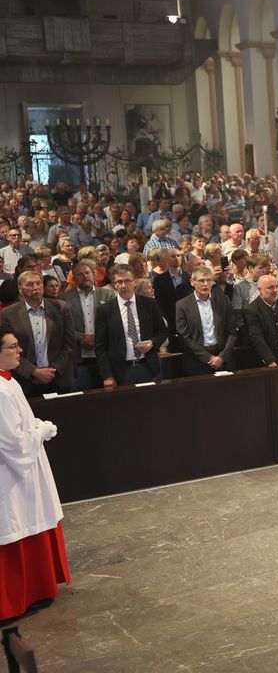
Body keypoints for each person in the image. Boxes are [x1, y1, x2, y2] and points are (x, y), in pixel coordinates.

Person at [0, 332, 70, 623]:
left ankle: (36, 589)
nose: (20, 351)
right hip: (10, 475)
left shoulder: (9, 381)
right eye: (13, 346)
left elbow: (20, 426)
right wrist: (40, 431)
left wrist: (36, 426)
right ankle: (15, 599)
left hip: (24, 470)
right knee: (15, 523)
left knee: (30, 518)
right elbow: (13, 442)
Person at [0, 271, 77, 396]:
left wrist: (53, 370)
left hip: (58, 377)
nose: (35, 287)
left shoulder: (61, 308)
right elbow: (7, 350)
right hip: (26, 380)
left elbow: (70, 344)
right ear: (20, 289)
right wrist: (33, 372)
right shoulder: (8, 314)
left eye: (38, 283)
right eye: (30, 284)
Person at [96, 264, 169, 387]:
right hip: (121, 370)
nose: (124, 285)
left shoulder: (149, 304)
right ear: (114, 284)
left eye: (127, 281)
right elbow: (101, 346)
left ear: (134, 282)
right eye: (120, 282)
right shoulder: (105, 310)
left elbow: (162, 331)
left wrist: (152, 342)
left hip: (147, 366)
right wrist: (107, 375)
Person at [174, 266, 238, 377]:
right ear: (192, 282)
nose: (205, 284)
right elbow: (184, 337)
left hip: (222, 357)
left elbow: (232, 332)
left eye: (209, 280)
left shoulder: (223, 300)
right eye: (201, 281)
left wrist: (222, 357)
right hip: (196, 359)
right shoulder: (182, 305)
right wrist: (208, 358)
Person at [62, 259, 113, 391]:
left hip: (104, 354)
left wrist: (98, 337)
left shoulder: (108, 295)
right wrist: (81, 338)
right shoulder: (64, 298)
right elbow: (62, 326)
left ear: (94, 274)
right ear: (74, 278)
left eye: (88, 273)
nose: (85, 276)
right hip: (77, 357)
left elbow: (114, 322)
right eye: (80, 274)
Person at [243, 274, 278, 367]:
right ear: (259, 290)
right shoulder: (252, 310)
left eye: (276, 286)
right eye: (270, 287)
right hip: (269, 362)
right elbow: (257, 338)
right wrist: (269, 360)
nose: (275, 290)